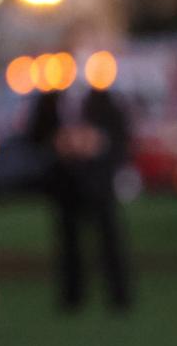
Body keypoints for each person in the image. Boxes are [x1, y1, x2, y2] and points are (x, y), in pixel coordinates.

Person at [27, 37, 134, 313]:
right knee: (68, 239)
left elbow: (120, 134)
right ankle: (72, 298)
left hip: (98, 178)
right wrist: (58, 142)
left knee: (109, 236)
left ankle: (119, 297)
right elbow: (35, 135)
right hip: (66, 179)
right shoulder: (50, 99)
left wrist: (96, 141)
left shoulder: (104, 97)